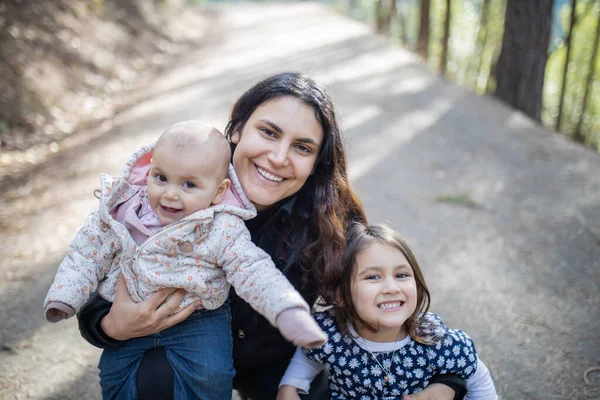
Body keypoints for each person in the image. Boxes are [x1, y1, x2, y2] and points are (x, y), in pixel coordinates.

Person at [77, 72, 468, 399]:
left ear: (316, 163)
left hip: (276, 368)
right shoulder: (178, 191)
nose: (279, 158)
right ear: (237, 131)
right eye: (268, 132)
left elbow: (386, 294)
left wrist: (445, 380)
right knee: (154, 375)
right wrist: (110, 326)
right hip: (183, 354)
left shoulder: (331, 224)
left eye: (301, 147)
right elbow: (100, 275)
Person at [44, 121, 327, 399]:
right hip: (126, 312)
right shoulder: (125, 210)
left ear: (218, 191)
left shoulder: (221, 226)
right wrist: (64, 296)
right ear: (149, 170)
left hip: (198, 318)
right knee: (114, 374)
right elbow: (86, 249)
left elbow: (253, 270)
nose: (170, 193)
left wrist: (287, 311)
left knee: (210, 375)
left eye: (189, 185)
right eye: (161, 177)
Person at [277, 222, 498, 400]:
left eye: (402, 275)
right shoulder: (330, 334)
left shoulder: (437, 341)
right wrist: (291, 385)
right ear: (341, 295)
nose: (392, 288)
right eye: (373, 277)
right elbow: (309, 357)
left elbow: (477, 378)